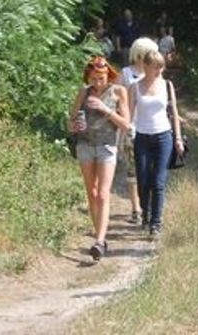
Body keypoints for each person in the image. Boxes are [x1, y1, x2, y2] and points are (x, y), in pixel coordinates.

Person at [68, 56, 131, 261]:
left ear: (109, 75)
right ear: (89, 76)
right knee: (92, 192)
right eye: (94, 78)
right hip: (85, 145)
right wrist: (74, 126)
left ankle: (100, 241)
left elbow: (126, 125)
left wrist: (105, 109)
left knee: (103, 193)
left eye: (102, 78)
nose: (98, 82)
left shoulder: (118, 92)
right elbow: (70, 122)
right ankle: (99, 237)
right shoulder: (83, 93)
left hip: (107, 146)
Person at [129, 50, 184, 239]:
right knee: (143, 181)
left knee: (158, 182)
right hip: (142, 138)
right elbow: (128, 116)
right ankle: (146, 211)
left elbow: (174, 112)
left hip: (163, 136)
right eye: (156, 66)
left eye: (162, 66)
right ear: (146, 66)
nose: (160, 69)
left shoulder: (167, 86)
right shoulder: (135, 87)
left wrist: (177, 138)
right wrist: (126, 135)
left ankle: (156, 223)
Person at [119, 37, 159, 225]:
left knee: (150, 170)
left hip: (152, 127)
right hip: (131, 127)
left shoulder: (156, 75)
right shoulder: (126, 74)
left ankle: (149, 206)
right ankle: (136, 207)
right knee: (133, 170)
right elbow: (118, 98)